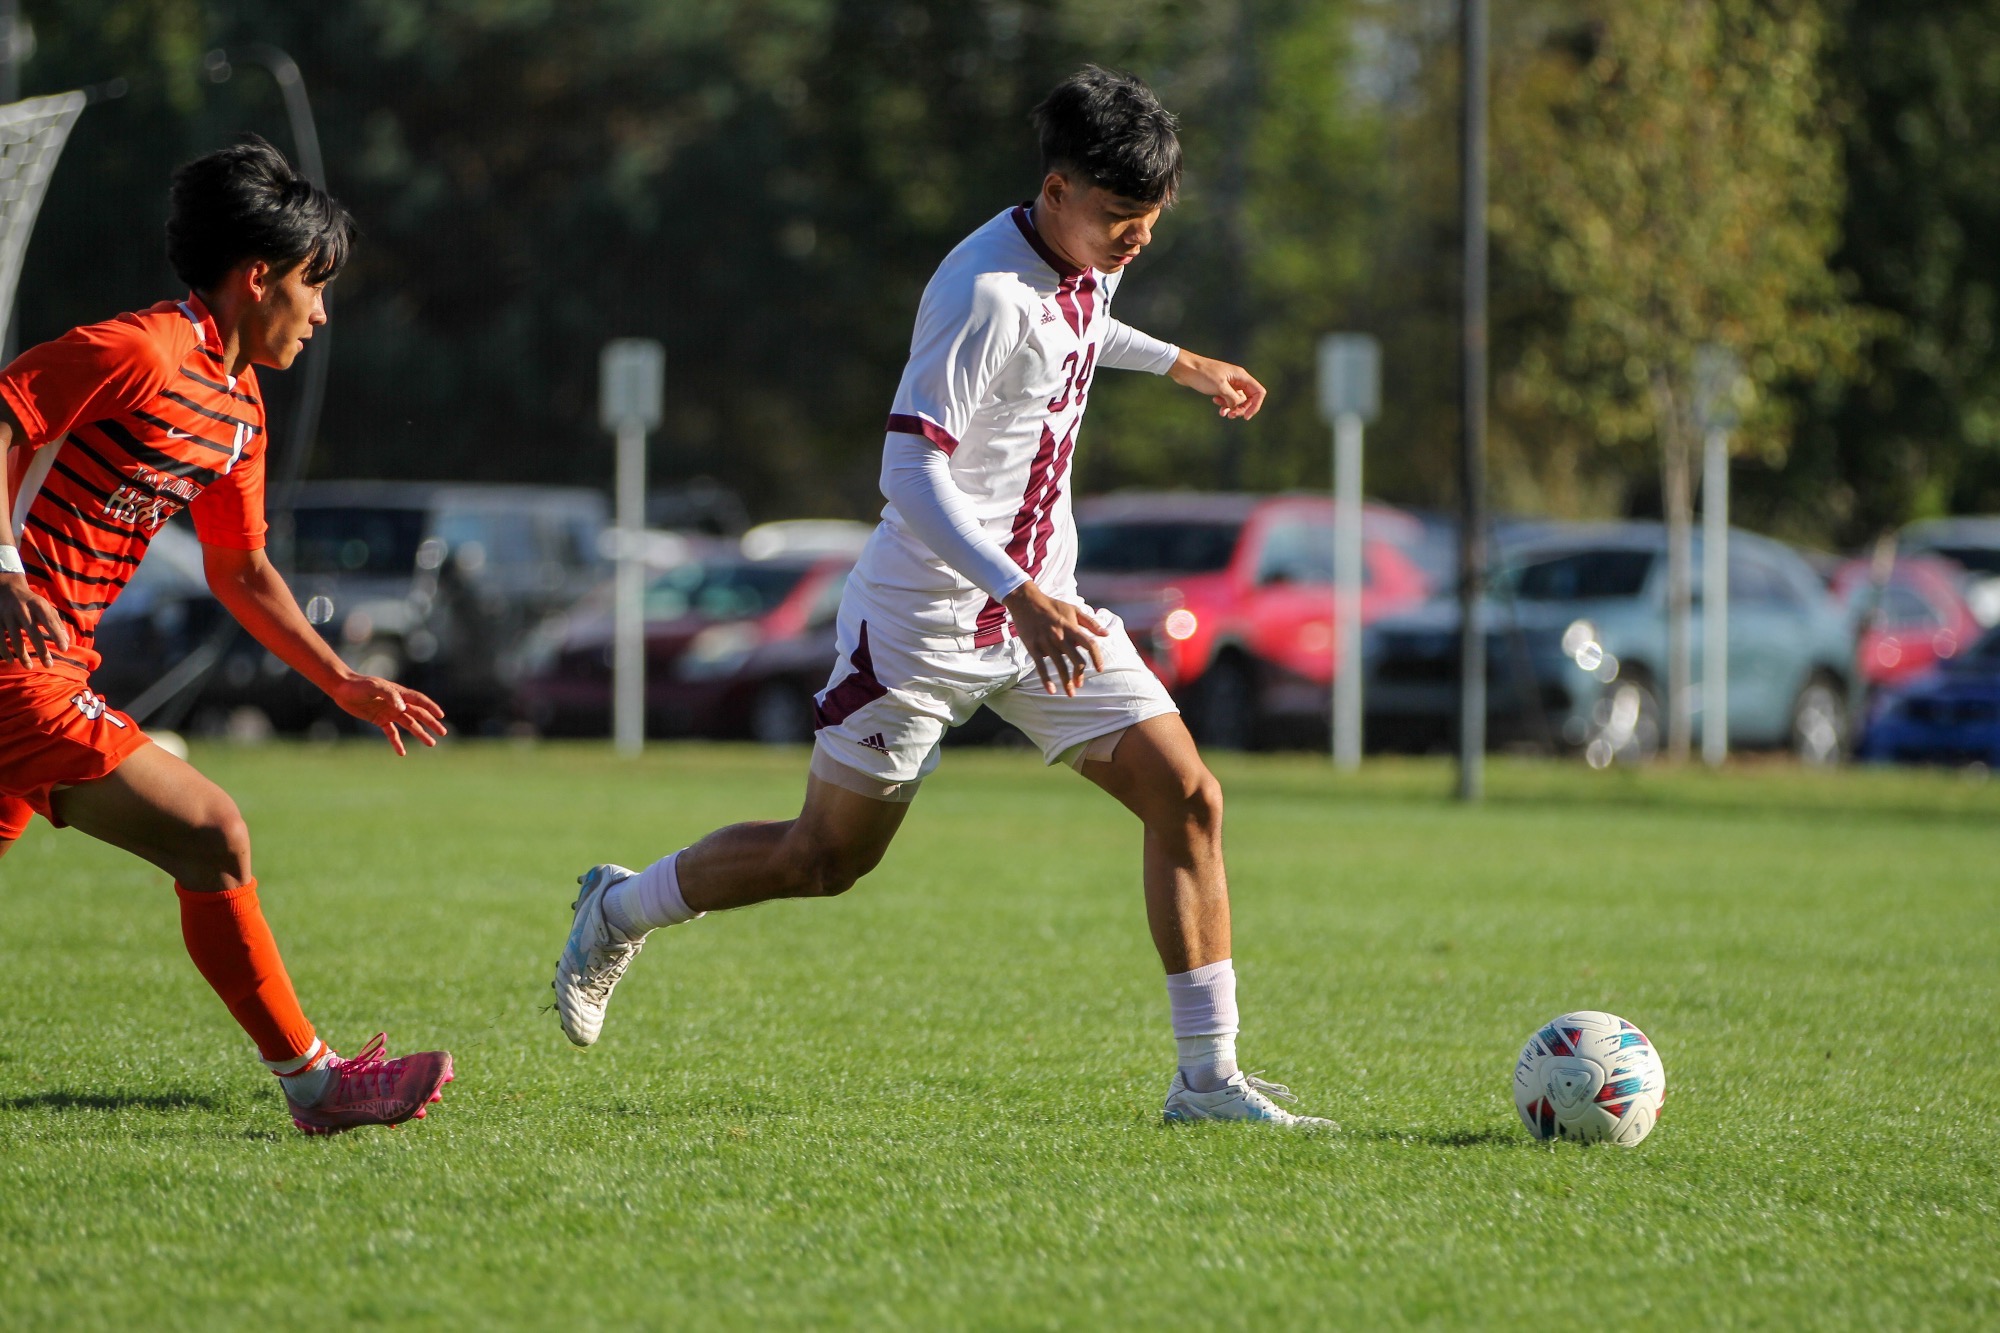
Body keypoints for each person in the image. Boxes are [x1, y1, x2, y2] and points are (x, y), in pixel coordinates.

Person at [555, 68, 1332, 1128]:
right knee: (822, 859)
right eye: (1119, 221)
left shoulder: (1080, 255)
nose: (1133, 243)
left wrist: (1178, 362)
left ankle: (1204, 1082)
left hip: (1041, 615)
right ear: (1055, 190)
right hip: (922, 628)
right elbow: (906, 472)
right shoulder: (979, 288)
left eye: (1149, 223)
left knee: (1188, 798)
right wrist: (1011, 590)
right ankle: (618, 906)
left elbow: (1079, 329)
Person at [0, 137, 454, 1135]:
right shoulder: (138, 349)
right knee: (213, 832)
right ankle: (317, 1082)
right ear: (258, 278)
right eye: (311, 285)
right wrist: (3, 567)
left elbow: (241, 570)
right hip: (14, 667)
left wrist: (342, 681)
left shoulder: (238, 408)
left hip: (54, 659)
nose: (321, 313)